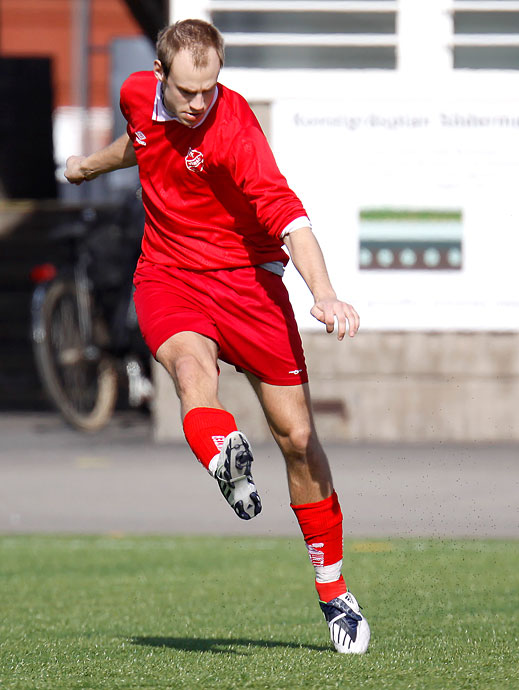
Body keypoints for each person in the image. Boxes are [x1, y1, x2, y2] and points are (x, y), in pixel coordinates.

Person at [64, 18, 369, 655]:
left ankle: (333, 590)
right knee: (190, 372)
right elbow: (142, 142)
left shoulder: (235, 130)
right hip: (169, 275)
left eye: (210, 89)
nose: (200, 104)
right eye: (187, 92)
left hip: (249, 286)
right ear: (159, 78)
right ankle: (224, 452)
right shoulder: (134, 95)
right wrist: (89, 166)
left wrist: (324, 292)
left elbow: (292, 219)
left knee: (298, 438)